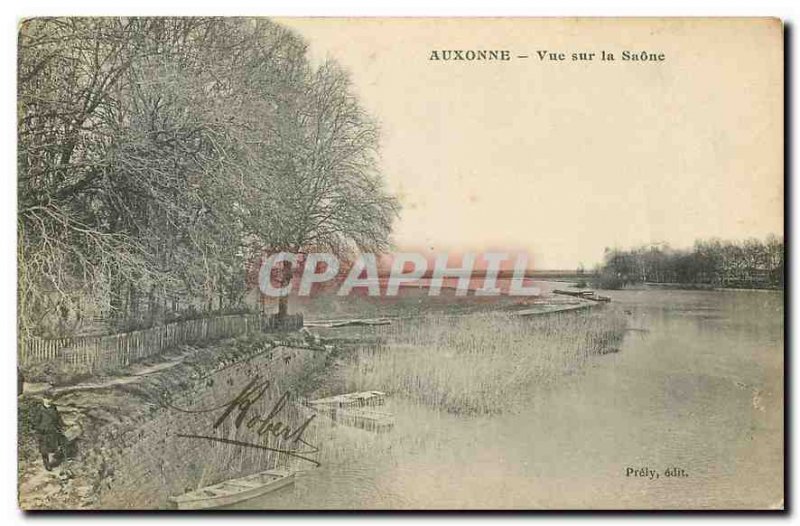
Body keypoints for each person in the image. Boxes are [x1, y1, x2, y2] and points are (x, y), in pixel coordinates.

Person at [32, 393, 67, 471]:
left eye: (50, 399)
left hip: (52, 431)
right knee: (44, 450)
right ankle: (47, 464)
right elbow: (36, 421)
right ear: (43, 399)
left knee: (53, 447)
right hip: (43, 432)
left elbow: (58, 419)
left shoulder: (54, 408)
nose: (48, 400)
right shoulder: (40, 409)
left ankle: (55, 460)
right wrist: (38, 430)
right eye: (46, 398)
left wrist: (62, 426)